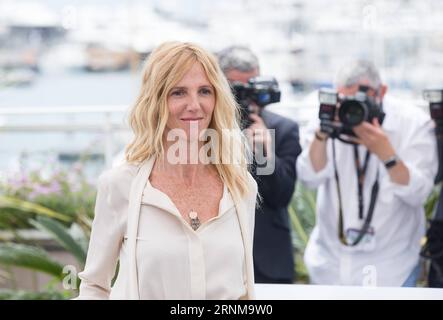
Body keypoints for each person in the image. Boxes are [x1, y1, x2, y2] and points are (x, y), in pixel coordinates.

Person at [76, 41, 258, 299]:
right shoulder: (120, 185)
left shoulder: (242, 187)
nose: (194, 105)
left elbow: (241, 289)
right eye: (179, 92)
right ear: (156, 101)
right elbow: (94, 287)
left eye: (205, 91)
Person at [297, 60, 438, 287]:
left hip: (392, 269)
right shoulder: (327, 116)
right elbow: (309, 177)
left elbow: (419, 194)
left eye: (359, 100)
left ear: (382, 92)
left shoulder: (412, 123)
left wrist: (387, 154)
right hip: (330, 267)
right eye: (345, 99)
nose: (351, 110)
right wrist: (322, 134)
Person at [218, 46, 302, 284]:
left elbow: (281, 197)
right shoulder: (205, 131)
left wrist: (265, 153)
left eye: (251, 87)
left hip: (269, 260)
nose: (245, 98)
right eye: (237, 89)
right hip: (219, 259)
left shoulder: (284, 129)